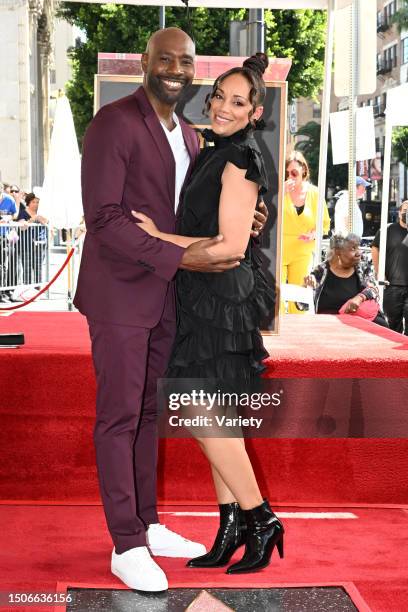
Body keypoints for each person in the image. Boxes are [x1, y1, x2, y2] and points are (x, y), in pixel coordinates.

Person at [74, 27, 268, 593]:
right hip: (120, 292)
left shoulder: (189, 135)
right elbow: (105, 218)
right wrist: (176, 257)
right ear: (145, 62)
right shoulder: (113, 123)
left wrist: (243, 223)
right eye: (166, 58)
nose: (176, 69)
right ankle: (126, 543)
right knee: (118, 416)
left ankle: (148, 524)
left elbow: (196, 215)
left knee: (149, 416)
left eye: (186, 62)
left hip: (170, 297)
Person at [134, 53, 284, 575]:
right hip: (203, 296)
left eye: (237, 101)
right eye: (219, 95)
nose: (222, 106)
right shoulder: (216, 150)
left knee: (199, 411)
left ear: (254, 113)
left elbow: (229, 246)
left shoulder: (240, 157)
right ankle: (233, 523)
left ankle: (261, 518)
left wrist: (157, 238)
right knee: (215, 416)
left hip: (220, 300)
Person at [281, 151, 330, 313]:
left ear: (303, 171)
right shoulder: (280, 191)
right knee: (276, 297)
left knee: (299, 300)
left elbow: (324, 224)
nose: (290, 176)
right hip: (279, 249)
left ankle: (296, 336)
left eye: (294, 173)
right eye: (287, 173)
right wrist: (280, 193)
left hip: (302, 252)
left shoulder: (315, 194)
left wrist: (314, 234)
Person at [304, 233, 388, 327]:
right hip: (329, 324)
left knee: (382, 326)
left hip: (358, 320)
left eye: (358, 248)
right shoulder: (321, 270)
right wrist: (306, 287)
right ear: (338, 251)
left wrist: (359, 298)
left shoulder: (361, 268)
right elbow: (303, 305)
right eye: (353, 249)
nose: (359, 253)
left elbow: (374, 290)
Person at [371, 201, 408, 335]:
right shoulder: (387, 230)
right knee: (393, 325)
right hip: (392, 286)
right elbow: (375, 248)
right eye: (405, 210)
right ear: (399, 213)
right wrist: (379, 271)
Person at [0, 181, 18, 303]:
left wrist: (9, 217)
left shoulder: (8, 199)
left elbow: (15, 213)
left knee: (3, 266)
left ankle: (3, 292)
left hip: (4, 237)